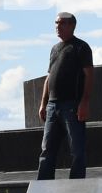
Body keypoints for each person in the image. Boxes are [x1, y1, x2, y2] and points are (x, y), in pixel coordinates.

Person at [36, 11, 95, 181]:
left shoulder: (81, 47)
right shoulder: (54, 48)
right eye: (56, 23)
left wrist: (84, 102)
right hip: (52, 106)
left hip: (72, 105)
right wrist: (43, 103)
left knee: (77, 149)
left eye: (61, 23)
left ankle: (76, 184)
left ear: (71, 25)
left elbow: (89, 75)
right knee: (47, 149)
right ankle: (43, 186)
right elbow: (49, 77)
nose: (57, 27)